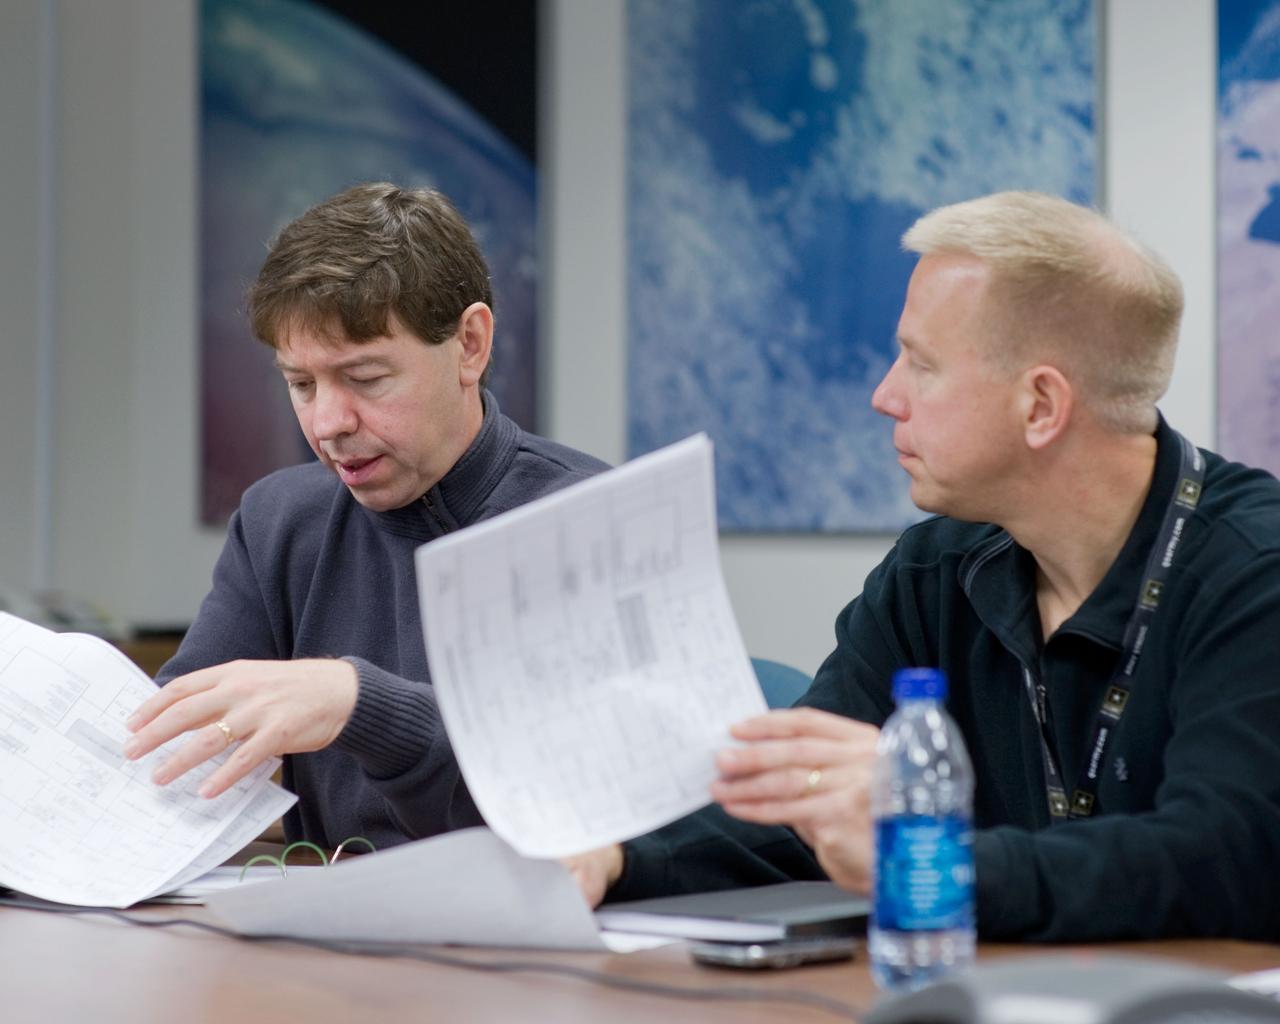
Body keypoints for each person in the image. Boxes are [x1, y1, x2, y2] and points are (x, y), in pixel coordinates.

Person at [568, 191, 1280, 941]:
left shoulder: (1253, 575)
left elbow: (1223, 858)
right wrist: (615, 859)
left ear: (1040, 406)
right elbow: (804, 808)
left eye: (920, 363)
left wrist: (932, 862)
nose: (885, 396)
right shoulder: (934, 569)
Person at [123, 183, 607, 850]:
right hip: (323, 935)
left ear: (470, 344)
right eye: (301, 384)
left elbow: (561, 802)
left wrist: (357, 704)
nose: (327, 424)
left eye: (367, 378)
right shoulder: (279, 521)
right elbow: (169, 757)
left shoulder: (587, 522)